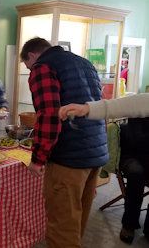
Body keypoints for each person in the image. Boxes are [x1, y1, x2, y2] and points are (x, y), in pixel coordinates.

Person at [20, 37, 108, 248]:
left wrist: (38, 159)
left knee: (62, 229)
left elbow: (49, 115)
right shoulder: (84, 63)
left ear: (32, 56)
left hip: (68, 158)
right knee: (77, 221)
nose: (30, 70)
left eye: (27, 66)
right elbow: (99, 108)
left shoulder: (42, 67)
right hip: (95, 153)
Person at [59, 94, 149, 244]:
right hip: (133, 153)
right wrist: (88, 108)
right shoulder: (143, 102)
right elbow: (126, 104)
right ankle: (129, 224)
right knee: (136, 173)